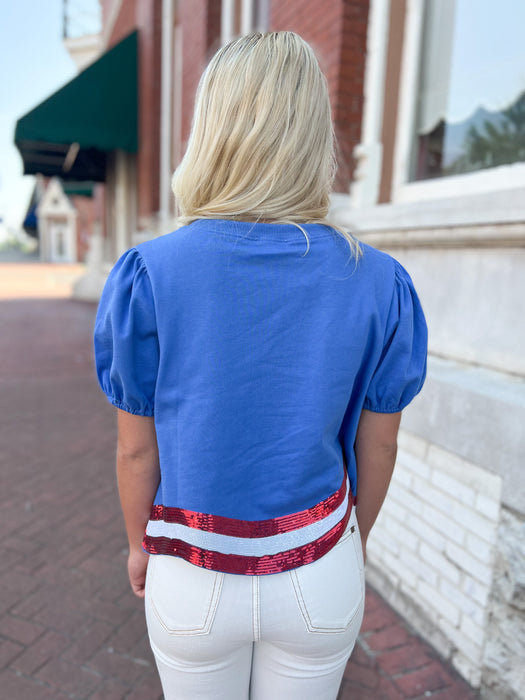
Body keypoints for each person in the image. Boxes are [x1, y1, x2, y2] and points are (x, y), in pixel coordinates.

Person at [94, 31, 427, 700]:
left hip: (191, 567)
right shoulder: (378, 281)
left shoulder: (149, 275)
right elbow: (380, 442)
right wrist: (348, 548)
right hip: (317, 562)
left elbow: (136, 453)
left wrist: (138, 545)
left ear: (211, 128)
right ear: (312, 136)